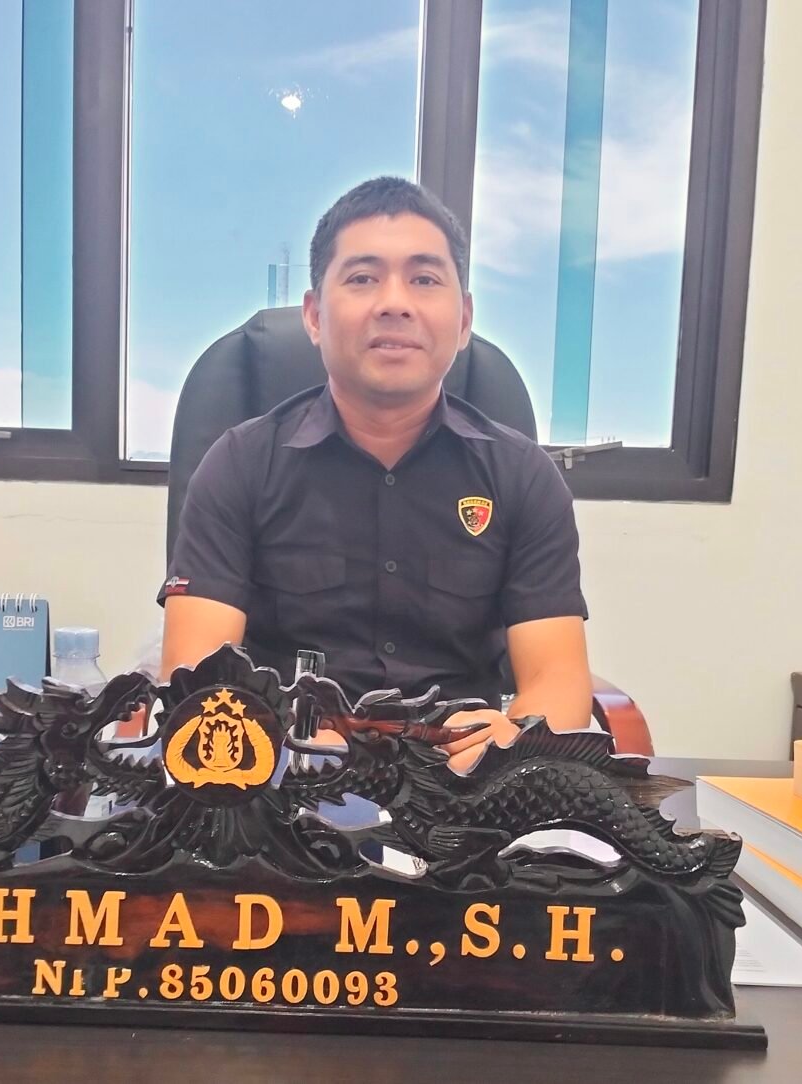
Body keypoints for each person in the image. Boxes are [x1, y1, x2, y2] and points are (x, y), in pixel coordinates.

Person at [158, 177, 592, 771]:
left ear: (464, 319)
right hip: (283, 780)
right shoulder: (239, 466)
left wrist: (511, 738)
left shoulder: (523, 477)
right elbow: (196, 678)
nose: (394, 302)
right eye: (363, 278)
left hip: (462, 787)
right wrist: (295, 749)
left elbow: (558, 682)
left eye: (425, 279)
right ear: (315, 316)